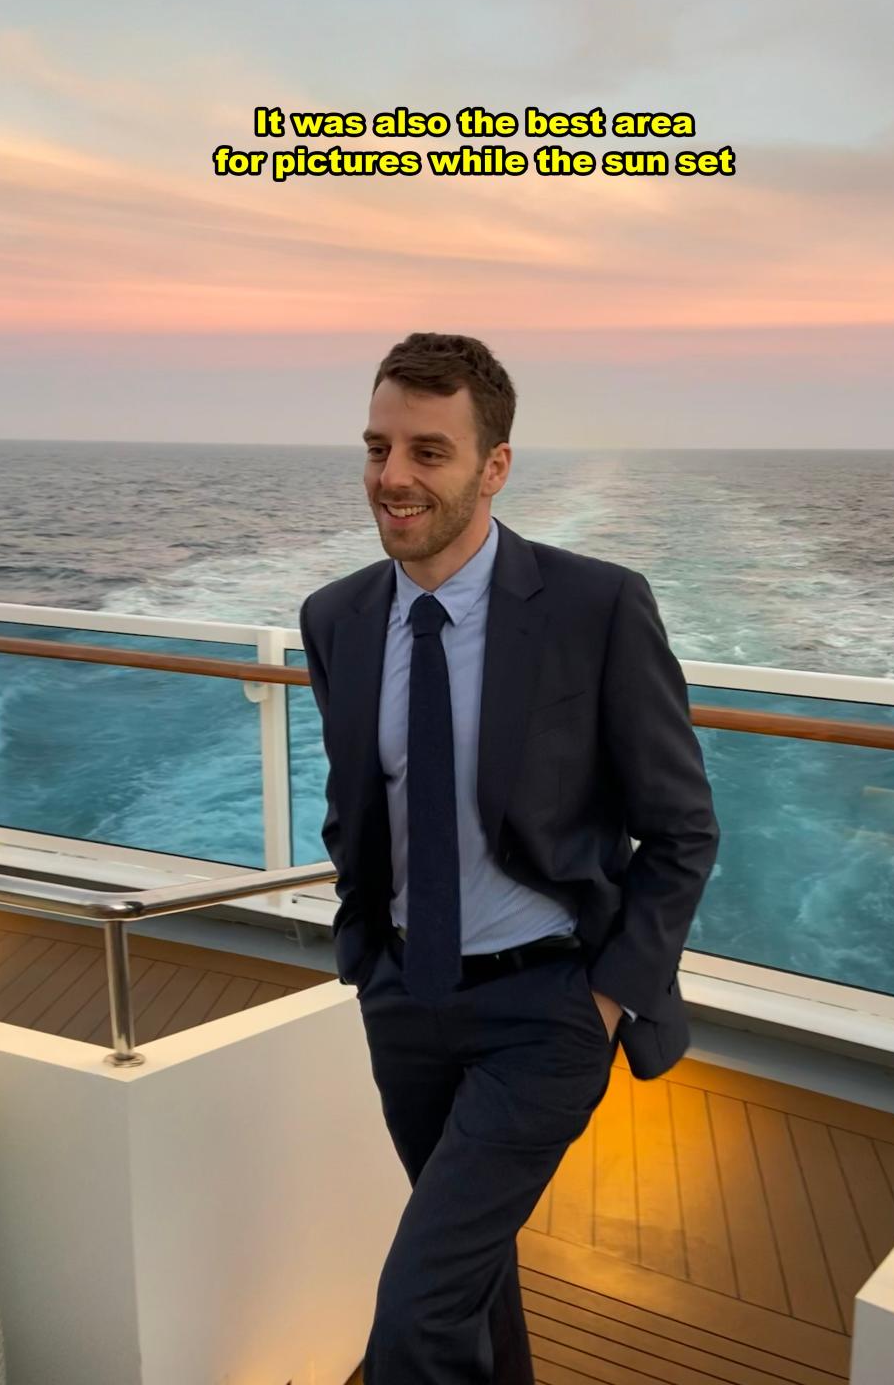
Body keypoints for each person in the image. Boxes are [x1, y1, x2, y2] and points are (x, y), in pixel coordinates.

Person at [298, 332, 720, 1384]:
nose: (391, 477)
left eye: (428, 453)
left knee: (416, 1311)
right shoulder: (338, 619)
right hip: (405, 1001)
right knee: (471, 1280)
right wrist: (368, 964)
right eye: (377, 446)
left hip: (546, 1010)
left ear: (494, 467)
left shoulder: (596, 608)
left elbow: (682, 830)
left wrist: (609, 1000)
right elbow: (363, 809)